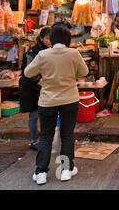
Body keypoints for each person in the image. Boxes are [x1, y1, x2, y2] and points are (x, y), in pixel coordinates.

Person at [25, 25, 89, 185]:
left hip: (47, 101)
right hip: (70, 100)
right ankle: (66, 170)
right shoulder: (73, 53)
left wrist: (43, 79)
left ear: (52, 39)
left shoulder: (43, 54)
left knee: (46, 136)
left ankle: (40, 173)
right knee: (67, 135)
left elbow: (27, 73)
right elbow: (84, 72)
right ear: (68, 39)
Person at [19, 27, 52, 151]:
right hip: (30, 86)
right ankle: (34, 140)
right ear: (42, 38)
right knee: (34, 114)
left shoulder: (49, 50)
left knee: (43, 113)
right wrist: (42, 81)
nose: (50, 41)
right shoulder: (33, 51)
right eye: (48, 38)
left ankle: (42, 139)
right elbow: (29, 72)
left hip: (40, 85)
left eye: (51, 38)